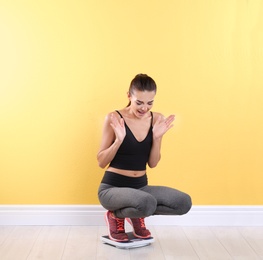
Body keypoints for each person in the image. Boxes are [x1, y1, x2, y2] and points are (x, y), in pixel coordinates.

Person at [97, 74, 192, 242]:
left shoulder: (156, 119)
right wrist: (118, 141)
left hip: (140, 188)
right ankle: (115, 216)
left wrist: (157, 138)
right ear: (129, 96)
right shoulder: (114, 118)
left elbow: (153, 163)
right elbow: (101, 161)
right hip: (112, 188)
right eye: (139, 102)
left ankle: (136, 213)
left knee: (183, 202)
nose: (144, 108)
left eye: (150, 103)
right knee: (146, 203)